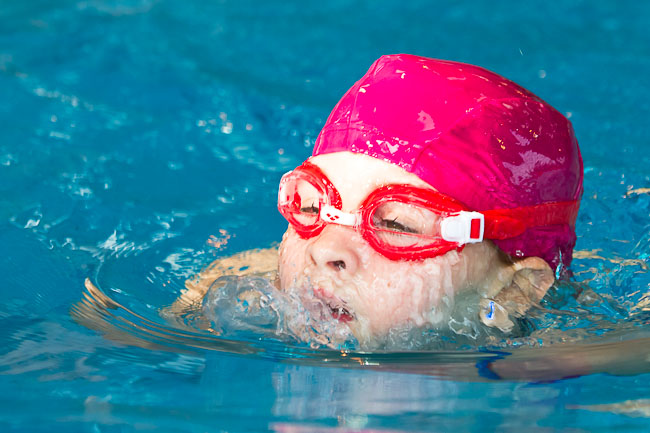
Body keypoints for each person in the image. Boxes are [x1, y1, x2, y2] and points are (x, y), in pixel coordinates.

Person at [177, 54, 583, 348]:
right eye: (313, 207)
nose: (325, 250)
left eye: (395, 224)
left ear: (513, 292)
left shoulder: (559, 366)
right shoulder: (223, 292)